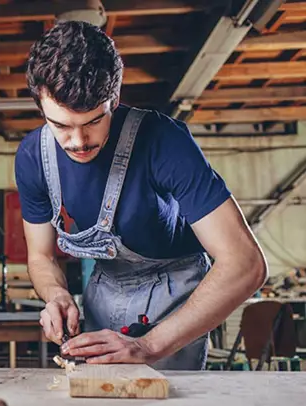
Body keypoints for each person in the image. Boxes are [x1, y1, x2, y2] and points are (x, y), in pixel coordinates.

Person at [14, 21, 268, 370]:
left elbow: (246, 263)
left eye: (92, 122)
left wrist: (149, 346)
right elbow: (41, 256)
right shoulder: (33, 158)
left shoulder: (165, 141)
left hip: (174, 296)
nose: (77, 142)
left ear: (114, 99)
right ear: (40, 107)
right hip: (103, 290)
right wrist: (56, 295)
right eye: (60, 125)